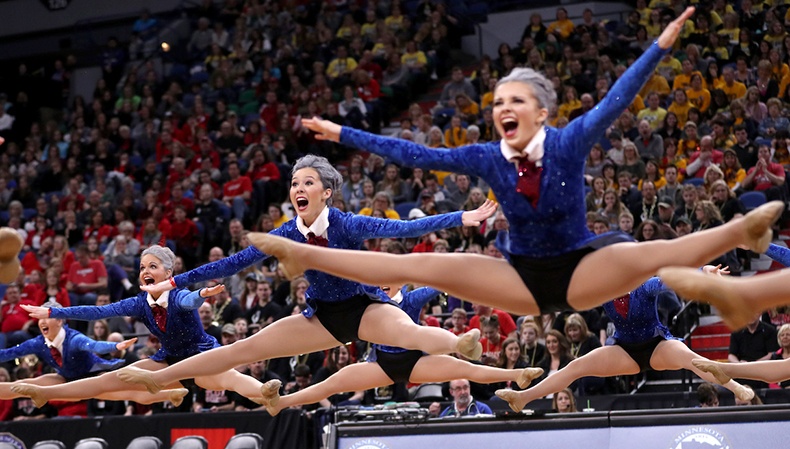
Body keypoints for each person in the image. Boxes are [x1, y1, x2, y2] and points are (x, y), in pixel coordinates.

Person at [267, 8, 781, 328]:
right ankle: (300, 254)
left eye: (516, 100)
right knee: (415, 265)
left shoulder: (571, 140)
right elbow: (416, 155)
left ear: (542, 111)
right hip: (519, 280)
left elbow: (615, 102)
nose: (503, 108)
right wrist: (341, 134)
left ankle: (742, 233)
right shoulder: (485, 155)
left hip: (583, 269)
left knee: (651, 253)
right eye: (496, 102)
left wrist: (658, 47)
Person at [114, 156, 493, 393]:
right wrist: (176, 281)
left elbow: (404, 230)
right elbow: (232, 263)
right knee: (242, 349)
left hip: (363, 309)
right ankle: (159, 379)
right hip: (322, 318)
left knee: (410, 333)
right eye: (295, 183)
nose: (299, 188)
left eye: (308, 182)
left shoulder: (347, 224)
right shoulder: (286, 233)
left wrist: (462, 216)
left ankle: (462, 345)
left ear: (327, 192)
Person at [14, 246, 267, 407]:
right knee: (110, 379)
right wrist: (54, 311)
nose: (145, 270)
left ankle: (268, 394)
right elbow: (98, 311)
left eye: (152, 266)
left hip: (201, 355)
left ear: (169, 273)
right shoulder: (138, 303)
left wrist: (202, 293)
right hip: (168, 359)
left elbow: (189, 300)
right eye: (142, 267)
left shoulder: (178, 294)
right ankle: (44, 393)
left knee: (231, 379)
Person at [257, 284, 542, 416]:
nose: (382, 281)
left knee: (465, 369)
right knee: (332, 383)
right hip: (380, 363)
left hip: (414, 361)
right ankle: (280, 403)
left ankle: (517, 376)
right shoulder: (370, 294)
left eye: (388, 277)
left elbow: (441, 283)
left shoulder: (413, 296)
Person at [495, 268, 754, 412]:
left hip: (657, 344)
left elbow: (673, 280)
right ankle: (523, 398)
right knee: (575, 367)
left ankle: (736, 388)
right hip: (623, 350)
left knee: (693, 359)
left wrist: (703, 272)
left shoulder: (646, 285)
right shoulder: (602, 293)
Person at [0, 301, 185, 407]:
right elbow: (9, 353)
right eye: (39, 319)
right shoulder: (38, 343)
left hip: (95, 376)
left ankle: (170, 394)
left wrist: (115, 346)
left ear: (60, 320)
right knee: (21, 385)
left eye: (46, 317)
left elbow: (95, 345)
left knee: (132, 394)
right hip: (66, 378)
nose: (41, 322)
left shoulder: (74, 339)